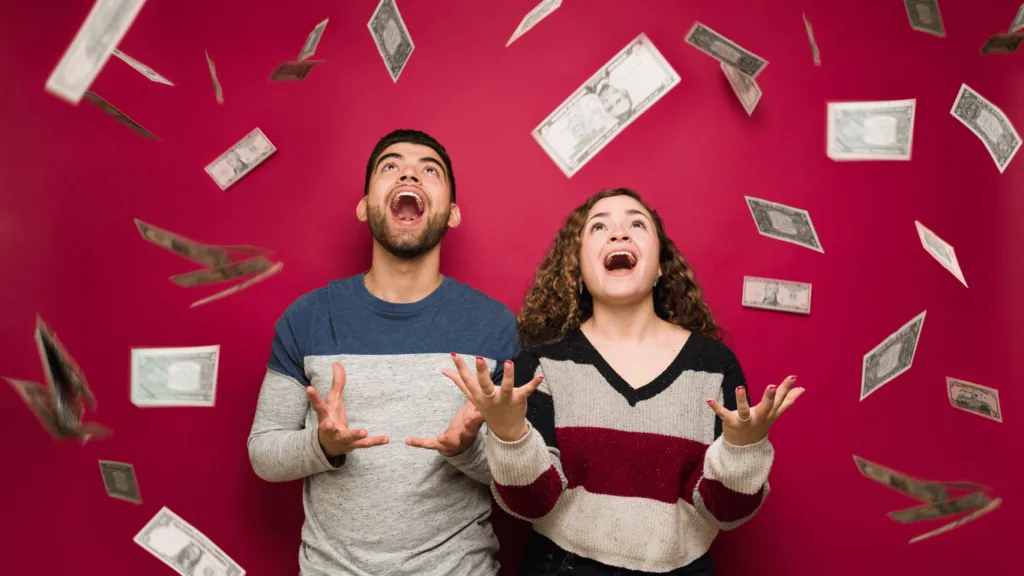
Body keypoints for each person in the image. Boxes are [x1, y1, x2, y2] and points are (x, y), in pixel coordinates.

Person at [444, 188, 805, 575]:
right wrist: (509, 432)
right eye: (599, 226)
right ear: (578, 268)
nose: (619, 233)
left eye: (636, 223)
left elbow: (725, 513)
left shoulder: (712, 365)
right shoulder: (542, 366)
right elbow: (535, 505)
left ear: (661, 266)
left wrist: (743, 451)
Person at [247, 129, 520, 576]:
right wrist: (321, 445)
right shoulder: (308, 318)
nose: (409, 171)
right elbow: (264, 452)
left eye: (429, 169)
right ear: (363, 205)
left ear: (452, 214)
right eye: (389, 166)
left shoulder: (493, 327)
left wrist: (467, 451)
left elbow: (525, 478)